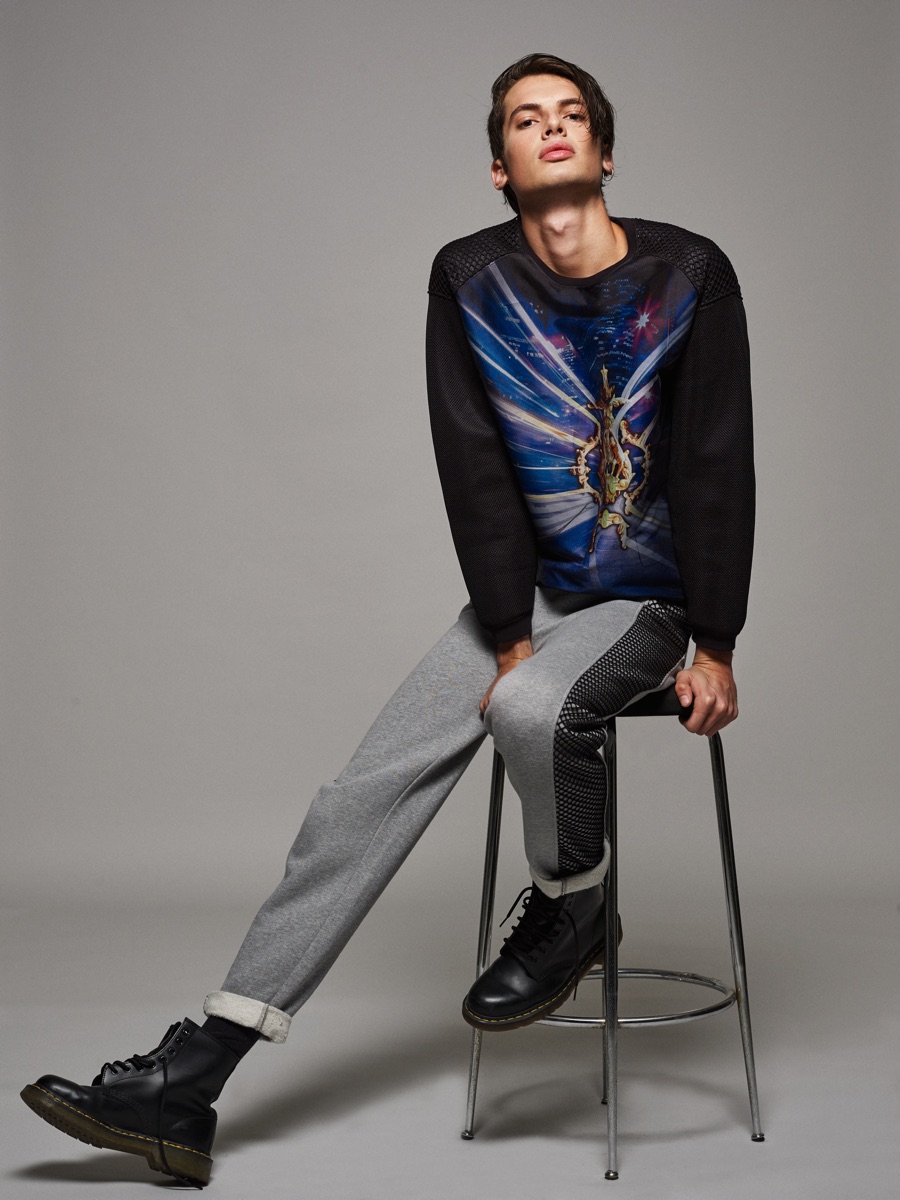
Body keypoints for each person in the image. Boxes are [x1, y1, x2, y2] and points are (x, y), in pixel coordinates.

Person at [20, 52, 754, 1188]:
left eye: (572, 115)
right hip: (534, 593)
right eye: (526, 120)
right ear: (499, 167)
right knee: (360, 793)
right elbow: (475, 471)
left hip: (648, 597)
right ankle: (194, 1076)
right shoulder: (469, 277)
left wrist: (717, 642)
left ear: (605, 152)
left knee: (529, 707)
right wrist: (507, 627)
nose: (552, 129)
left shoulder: (690, 272)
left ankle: (574, 905)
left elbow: (714, 462)